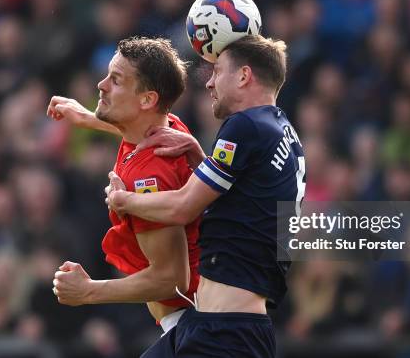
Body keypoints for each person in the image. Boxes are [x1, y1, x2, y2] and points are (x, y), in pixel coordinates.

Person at [108, 35, 306, 358]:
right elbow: (244, 199)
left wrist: (124, 201)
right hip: (218, 323)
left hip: (227, 333)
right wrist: (200, 155)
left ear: (243, 76)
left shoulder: (244, 125)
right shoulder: (282, 130)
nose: (209, 83)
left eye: (217, 72)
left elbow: (183, 207)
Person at [46, 37, 201, 340]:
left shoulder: (150, 176)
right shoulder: (169, 129)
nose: (101, 85)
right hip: (191, 322)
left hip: (191, 327)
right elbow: (141, 125)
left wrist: (89, 291)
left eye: (115, 80)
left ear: (146, 100)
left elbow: (172, 280)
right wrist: (88, 118)